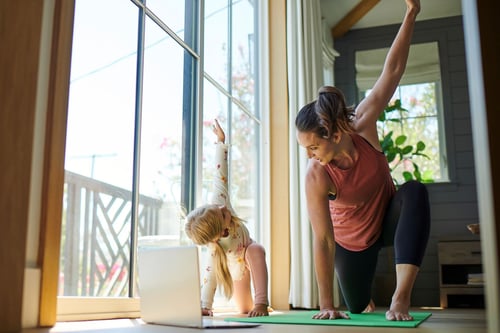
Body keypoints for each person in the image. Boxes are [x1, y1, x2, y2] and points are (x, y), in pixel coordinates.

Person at [295, 0, 430, 322]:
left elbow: (392, 71)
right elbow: (324, 239)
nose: (309, 155)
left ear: (333, 132)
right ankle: (362, 297)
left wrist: (411, 13)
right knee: (356, 306)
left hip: (388, 218)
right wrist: (327, 303)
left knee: (414, 191)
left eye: (312, 146)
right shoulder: (317, 175)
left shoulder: (362, 124)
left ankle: (401, 298)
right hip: (352, 242)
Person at [185, 119, 269, 317]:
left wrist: (221, 143)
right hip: (236, 269)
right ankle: (253, 304)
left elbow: (219, 174)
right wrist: (205, 306)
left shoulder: (218, 202)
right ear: (220, 233)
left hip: (249, 252)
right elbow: (210, 276)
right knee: (244, 310)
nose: (224, 208)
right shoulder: (216, 248)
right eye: (223, 214)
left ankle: (263, 302)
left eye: (219, 208)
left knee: (256, 250)